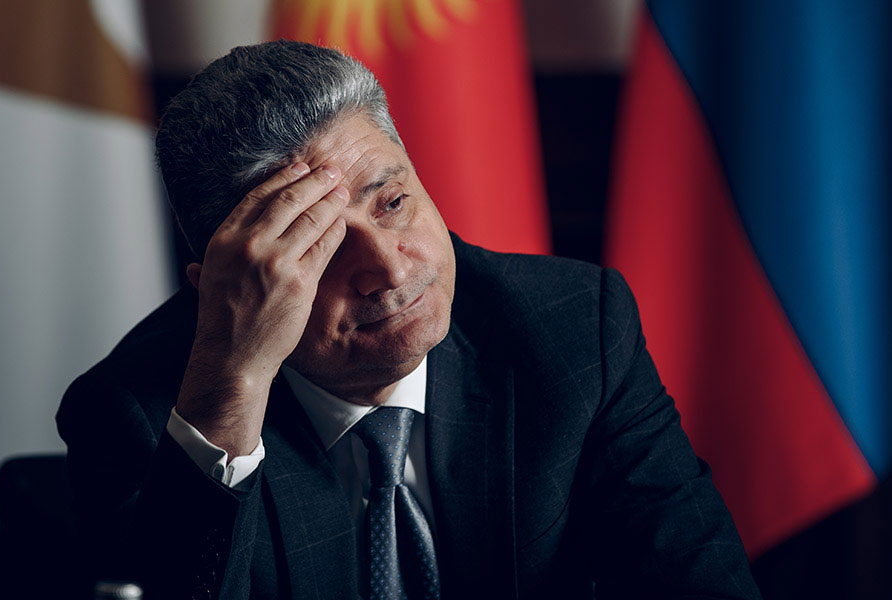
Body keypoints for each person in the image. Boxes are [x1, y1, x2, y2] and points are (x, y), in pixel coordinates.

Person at [56, 40, 761, 599]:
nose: (390, 272)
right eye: (319, 247)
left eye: (392, 203)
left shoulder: (575, 327)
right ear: (222, 290)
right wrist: (233, 380)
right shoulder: (136, 412)